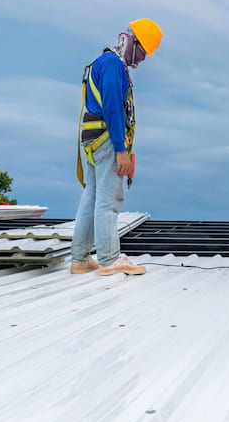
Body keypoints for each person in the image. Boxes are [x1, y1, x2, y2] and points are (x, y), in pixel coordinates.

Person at [70, 18, 163, 276]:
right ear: (131, 41)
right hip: (107, 140)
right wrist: (121, 149)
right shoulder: (112, 65)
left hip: (91, 138)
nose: (143, 59)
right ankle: (109, 260)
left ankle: (79, 259)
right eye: (143, 51)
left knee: (90, 198)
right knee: (109, 200)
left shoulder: (102, 62)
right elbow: (112, 107)